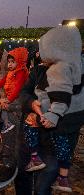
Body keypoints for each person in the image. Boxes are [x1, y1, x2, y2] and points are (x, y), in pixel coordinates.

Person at [17, 25, 84, 193]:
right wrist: (31, 104)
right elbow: (24, 93)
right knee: (23, 179)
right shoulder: (38, 70)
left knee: (42, 188)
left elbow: (76, 115)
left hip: (55, 145)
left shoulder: (77, 75)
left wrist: (40, 119)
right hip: (29, 141)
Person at [0, 47, 29, 133]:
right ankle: (7, 123)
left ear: (19, 62)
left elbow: (18, 88)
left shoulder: (21, 72)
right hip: (11, 96)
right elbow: (4, 80)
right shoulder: (11, 72)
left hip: (18, 97)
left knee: (5, 106)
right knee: (3, 106)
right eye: (9, 62)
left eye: (13, 62)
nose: (10, 64)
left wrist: (9, 100)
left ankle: (10, 123)